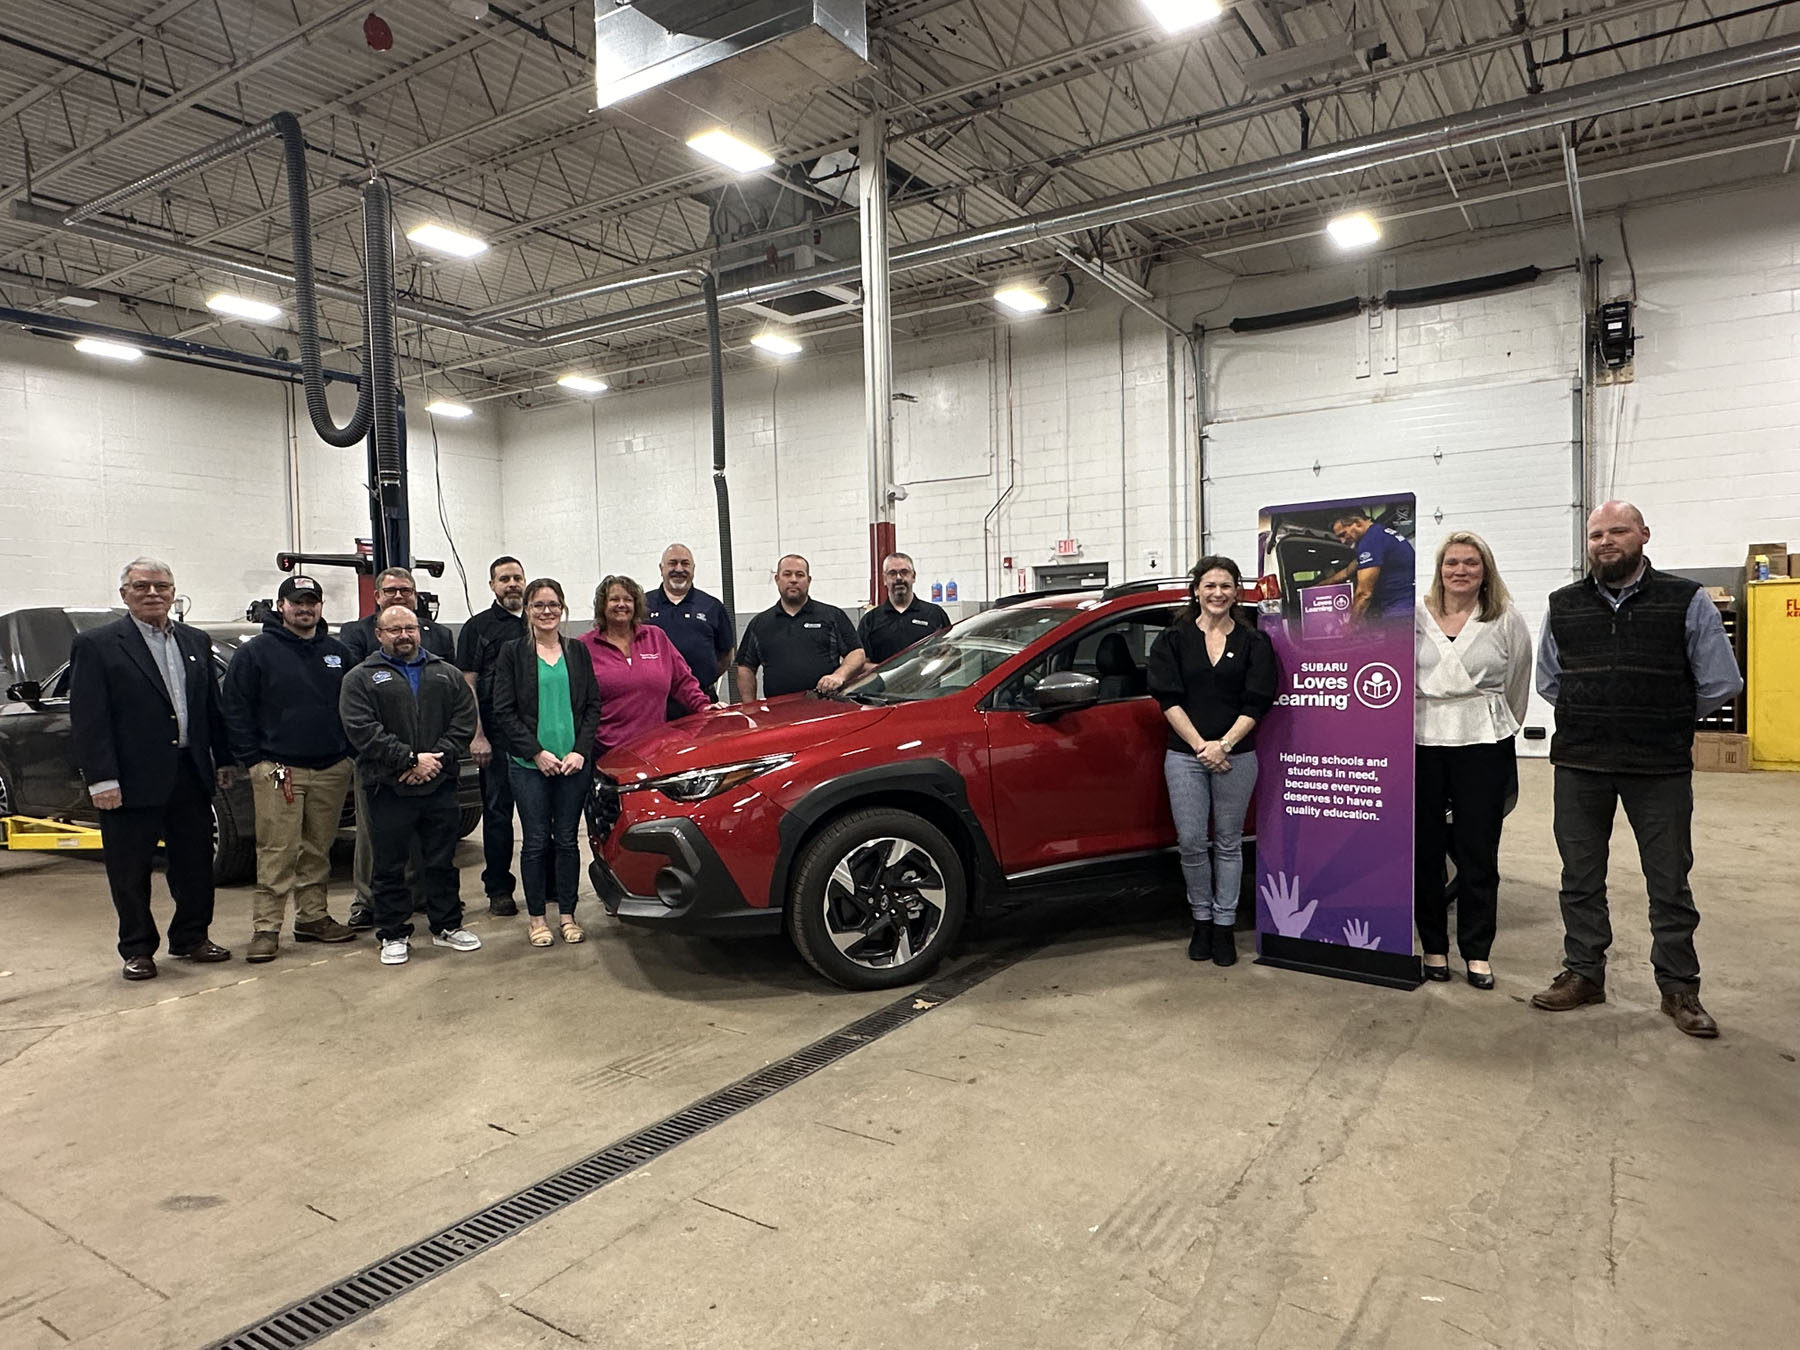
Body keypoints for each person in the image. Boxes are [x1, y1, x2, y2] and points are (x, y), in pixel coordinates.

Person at [1531, 500, 1742, 1037]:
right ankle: (1583, 974)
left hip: (1659, 767)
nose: (1606, 541)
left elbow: (1721, 681)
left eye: (1618, 531)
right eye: (1596, 533)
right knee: (1579, 877)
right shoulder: (1563, 605)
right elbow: (1550, 681)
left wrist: (1665, 718)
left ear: (1644, 534)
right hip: (1581, 763)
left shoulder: (1686, 599)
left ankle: (1679, 989)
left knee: (1669, 880)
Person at [69, 557, 236, 980]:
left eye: (161, 586)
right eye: (141, 586)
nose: (153, 593)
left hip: (189, 773)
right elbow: (90, 718)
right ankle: (138, 948)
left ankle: (192, 937)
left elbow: (210, 711)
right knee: (130, 869)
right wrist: (102, 779)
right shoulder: (99, 645)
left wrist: (225, 759)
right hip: (129, 779)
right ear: (124, 593)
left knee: (195, 864)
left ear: (173, 592)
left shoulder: (194, 642)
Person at [1413, 533, 1532, 990]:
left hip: (1483, 740)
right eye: (1451, 563)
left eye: (1470, 563)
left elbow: (1518, 681)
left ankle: (1477, 952)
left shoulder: (1505, 619)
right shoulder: (1416, 617)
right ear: (1439, 569)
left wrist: (1500, 722)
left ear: (1486, 571)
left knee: (1478, 852)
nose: (1460, 571)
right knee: (1425, 851)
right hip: (1422, 739)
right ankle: (1434, 947)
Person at [220, 575, 359, 963]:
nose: (304, 608)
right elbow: (235, 709)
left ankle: (312, 917)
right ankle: (266, 928)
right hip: (278, 769)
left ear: (320, 607)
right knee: (277, 848)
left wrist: (347, 753)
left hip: (331, 767)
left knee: (318, 847)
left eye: (311, 601)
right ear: (281, 606)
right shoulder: (256, 653)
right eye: (296, 601)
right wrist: (253, 760)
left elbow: (354, 705)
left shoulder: (338, 652)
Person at [1146, 556, 1277, 967]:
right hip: (1185, 756)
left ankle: (1224, 926)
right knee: (1189, 841)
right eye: (1210, 585)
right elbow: (1168, 699)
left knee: (1228, 842)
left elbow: (1258, 700)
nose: (1218, 593)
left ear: (1237, 591)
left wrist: (1224, 744)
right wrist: (1204, 745)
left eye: (1226, 585)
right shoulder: (1172, 640)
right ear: (1196, 591)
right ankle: (1200, 919)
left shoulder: (1255, 642)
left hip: (1238, 755)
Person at [338, 604, 481, 966]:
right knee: (389, 864)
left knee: (442, 860)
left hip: (439, 783)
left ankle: (446, 926)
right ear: (380, 635)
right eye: (395, 629)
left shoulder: (445, 673)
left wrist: (434, 760)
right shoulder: (361, 678)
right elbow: (361, 729)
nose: (404, 635)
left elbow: (463, 721)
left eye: (410, 628)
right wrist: (408, 760)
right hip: (388, 786)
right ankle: (393, 933)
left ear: (419, 630)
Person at [338, 566, 454, 928]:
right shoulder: (355, 635)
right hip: (382, 764)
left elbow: (454, 700)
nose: (399, 595)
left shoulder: (440, 636)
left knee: (433, 844)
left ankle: (424, 902)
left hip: (433, 760)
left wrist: (432, 758)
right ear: (378, 596)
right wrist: (405, 758)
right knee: (378, 845)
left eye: (406, 590)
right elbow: (363, 701)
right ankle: (370, 903)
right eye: (391, 590)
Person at [491, 579, 603, 946]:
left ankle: (568, 916)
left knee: (568, 841)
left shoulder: (577, 652)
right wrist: (536, 752)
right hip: (529, 766)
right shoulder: (513, 653)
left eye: (553, 604)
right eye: (538, 605)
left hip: (573, 764)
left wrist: (579, 752)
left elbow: (592, 707)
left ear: (563, 608)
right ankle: (537, 918)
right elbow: (503, 711)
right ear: (527, 610)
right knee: (536, 841)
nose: (546, 611)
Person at [455, 555, 528, 917]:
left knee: (537, 816)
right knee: (498, 816)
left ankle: (541, 884)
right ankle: (499, 889)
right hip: (496, 740)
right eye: (504, 579)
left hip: (535, 739)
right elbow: (468, 685)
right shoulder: (477, 627)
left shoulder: (537, 621)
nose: (512, 584)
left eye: (517, 577)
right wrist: (477, 736)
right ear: (492, 586)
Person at [579, 574, 710, 759]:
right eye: (614, 599)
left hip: (654, 750)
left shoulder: (656, 637)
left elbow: (682, 681)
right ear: (602, 605)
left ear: (636, 605)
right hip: (605, 753)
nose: (621, 604)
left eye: (628, 599)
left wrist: (703, 706)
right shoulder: (584, 646)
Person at [734, 554, 863, 699]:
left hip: (825, 708)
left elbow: (856, 653)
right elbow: (745, 667)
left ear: (808, 580)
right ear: (777, 579)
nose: (793, 580)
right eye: (787, 574)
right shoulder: (760, 623)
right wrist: (750, 707)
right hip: (778, 712)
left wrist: (839, 675)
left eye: (800, 575)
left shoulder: (832, 616)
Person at [645, 542, 736, 705]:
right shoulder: (643, 605)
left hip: (702, 699)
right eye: (672, 563)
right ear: (661, 569)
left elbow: (726, 655)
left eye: (685, 563)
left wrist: (703, 678)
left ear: (693, 569)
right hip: (655, 703)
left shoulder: (712, 606)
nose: (679, 569)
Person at [857, 552, 952, 668]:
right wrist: (893, 674)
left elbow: (950, 656)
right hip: (886, 686)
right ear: (884, 579)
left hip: (929, 686)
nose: (899, 578)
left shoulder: (935, 614)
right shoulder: (870, 620)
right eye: (892, 573)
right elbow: (860, 665)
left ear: (913, 576)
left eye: (904, 572)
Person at [1331, 509, 1417, 623]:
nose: (1342, 541)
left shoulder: (1370, 541)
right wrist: (1317, 586)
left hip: (1399, 611)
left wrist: (1351, 625)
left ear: (1357, 523)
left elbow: (1364, 593)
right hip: (1407, 606)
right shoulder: (1380, 533)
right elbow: (1348, 571)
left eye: (1343, 534)